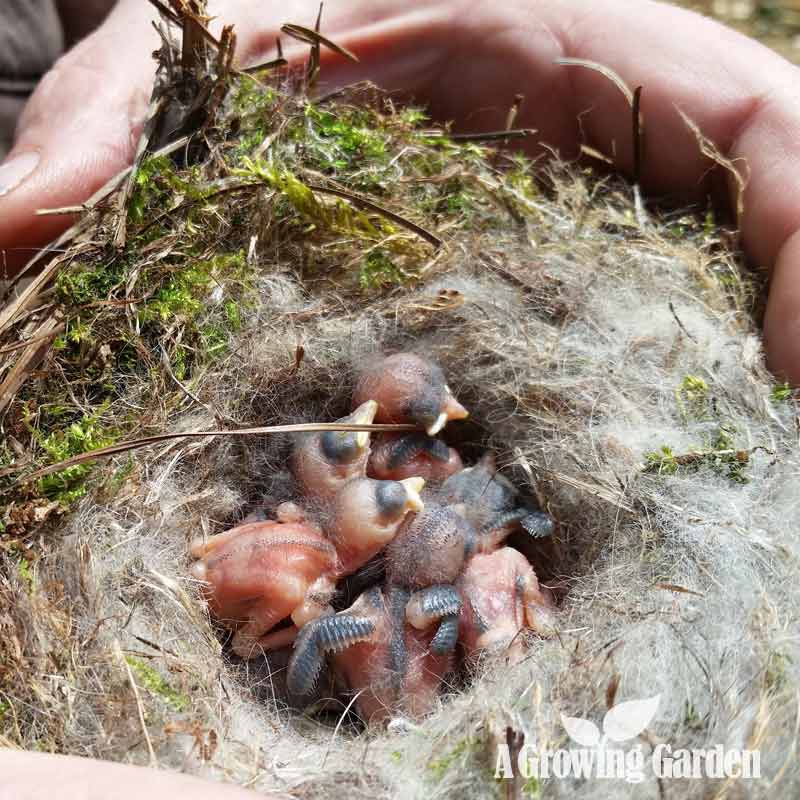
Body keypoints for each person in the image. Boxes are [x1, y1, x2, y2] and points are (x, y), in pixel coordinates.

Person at [0, 0, 798, 795]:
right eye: (394, 487)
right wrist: (326, 612)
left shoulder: (358, 551)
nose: (416, 476)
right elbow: (311, 588)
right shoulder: (323, 550)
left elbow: (444, 544)